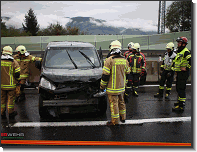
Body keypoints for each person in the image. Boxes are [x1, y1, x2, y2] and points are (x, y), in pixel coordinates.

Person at [100, 40, 130, 126]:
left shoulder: (109, 60)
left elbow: (105, 76)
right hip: (121, 88)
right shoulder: (125, 60)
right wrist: (125, 85)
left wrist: (102, 86)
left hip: (112, 89)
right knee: (121, 102)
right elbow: (127, 74)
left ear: (111, 49)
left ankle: (115, 122)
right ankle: (123, 118)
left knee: (114, 105)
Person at [172, 37, 191, 112]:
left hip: (183, 73)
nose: (178, 44)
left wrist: (186, 67)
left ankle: (181, 106)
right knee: (178, 88)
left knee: (181, 89)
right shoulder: (180, 52)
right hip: (179, 73)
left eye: (179, 43)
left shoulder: (186, 52)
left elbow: (191, 60)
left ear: (183, 44)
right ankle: (179, 102)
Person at [1, 46, 21, 119]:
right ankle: (10, 113)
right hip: (11, 85)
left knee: (2, 100)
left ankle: (2, 113)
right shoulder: (13, 62)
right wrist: (18, 80)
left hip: (1, 85)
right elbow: (17, 73)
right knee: (11, 100)